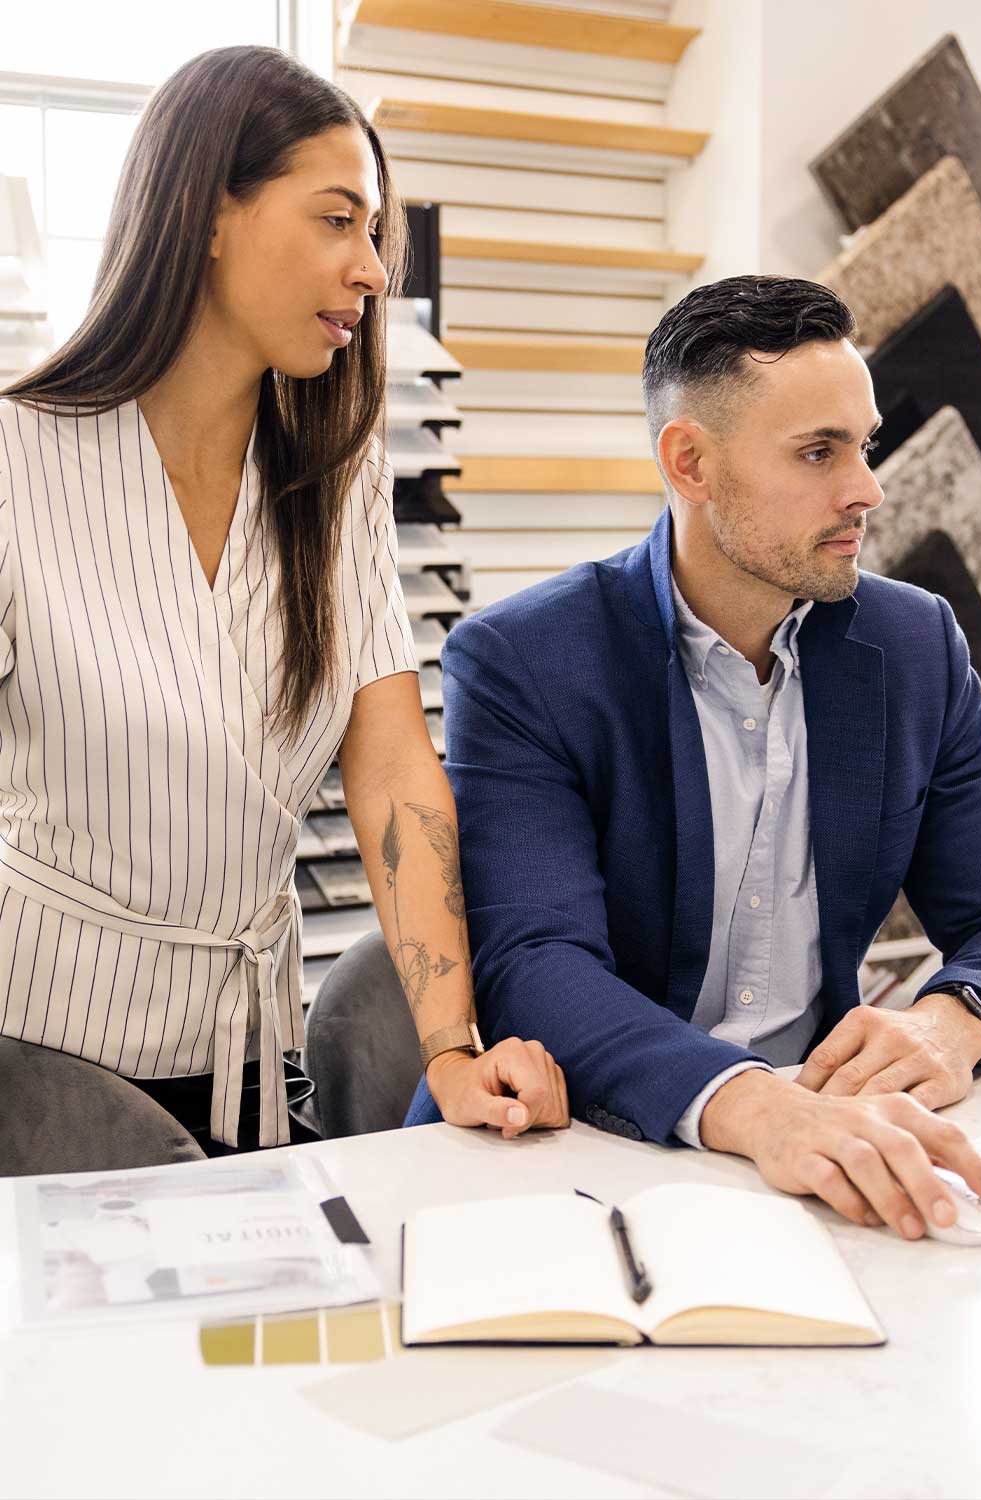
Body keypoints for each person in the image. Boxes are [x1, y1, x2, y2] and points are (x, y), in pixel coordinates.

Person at [406, 275, 981, 1237]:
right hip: (587, 1155)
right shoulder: (527, 660)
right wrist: (753, 1106)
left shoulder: (915, 645)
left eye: (864, 446)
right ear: (689, 462)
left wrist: (953, 1021)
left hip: (819, 1151)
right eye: (819, 452)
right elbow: (535, 964)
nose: (867, 489)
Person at [0, 45, 566, 1162]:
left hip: (254, 1058)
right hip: (35, 1060)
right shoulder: (16, 459)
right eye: (336, 219)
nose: (371, 269)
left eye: (374, 234)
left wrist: (450, 1046)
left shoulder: (330, 480)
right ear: (209, 213)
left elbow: (392, 763)